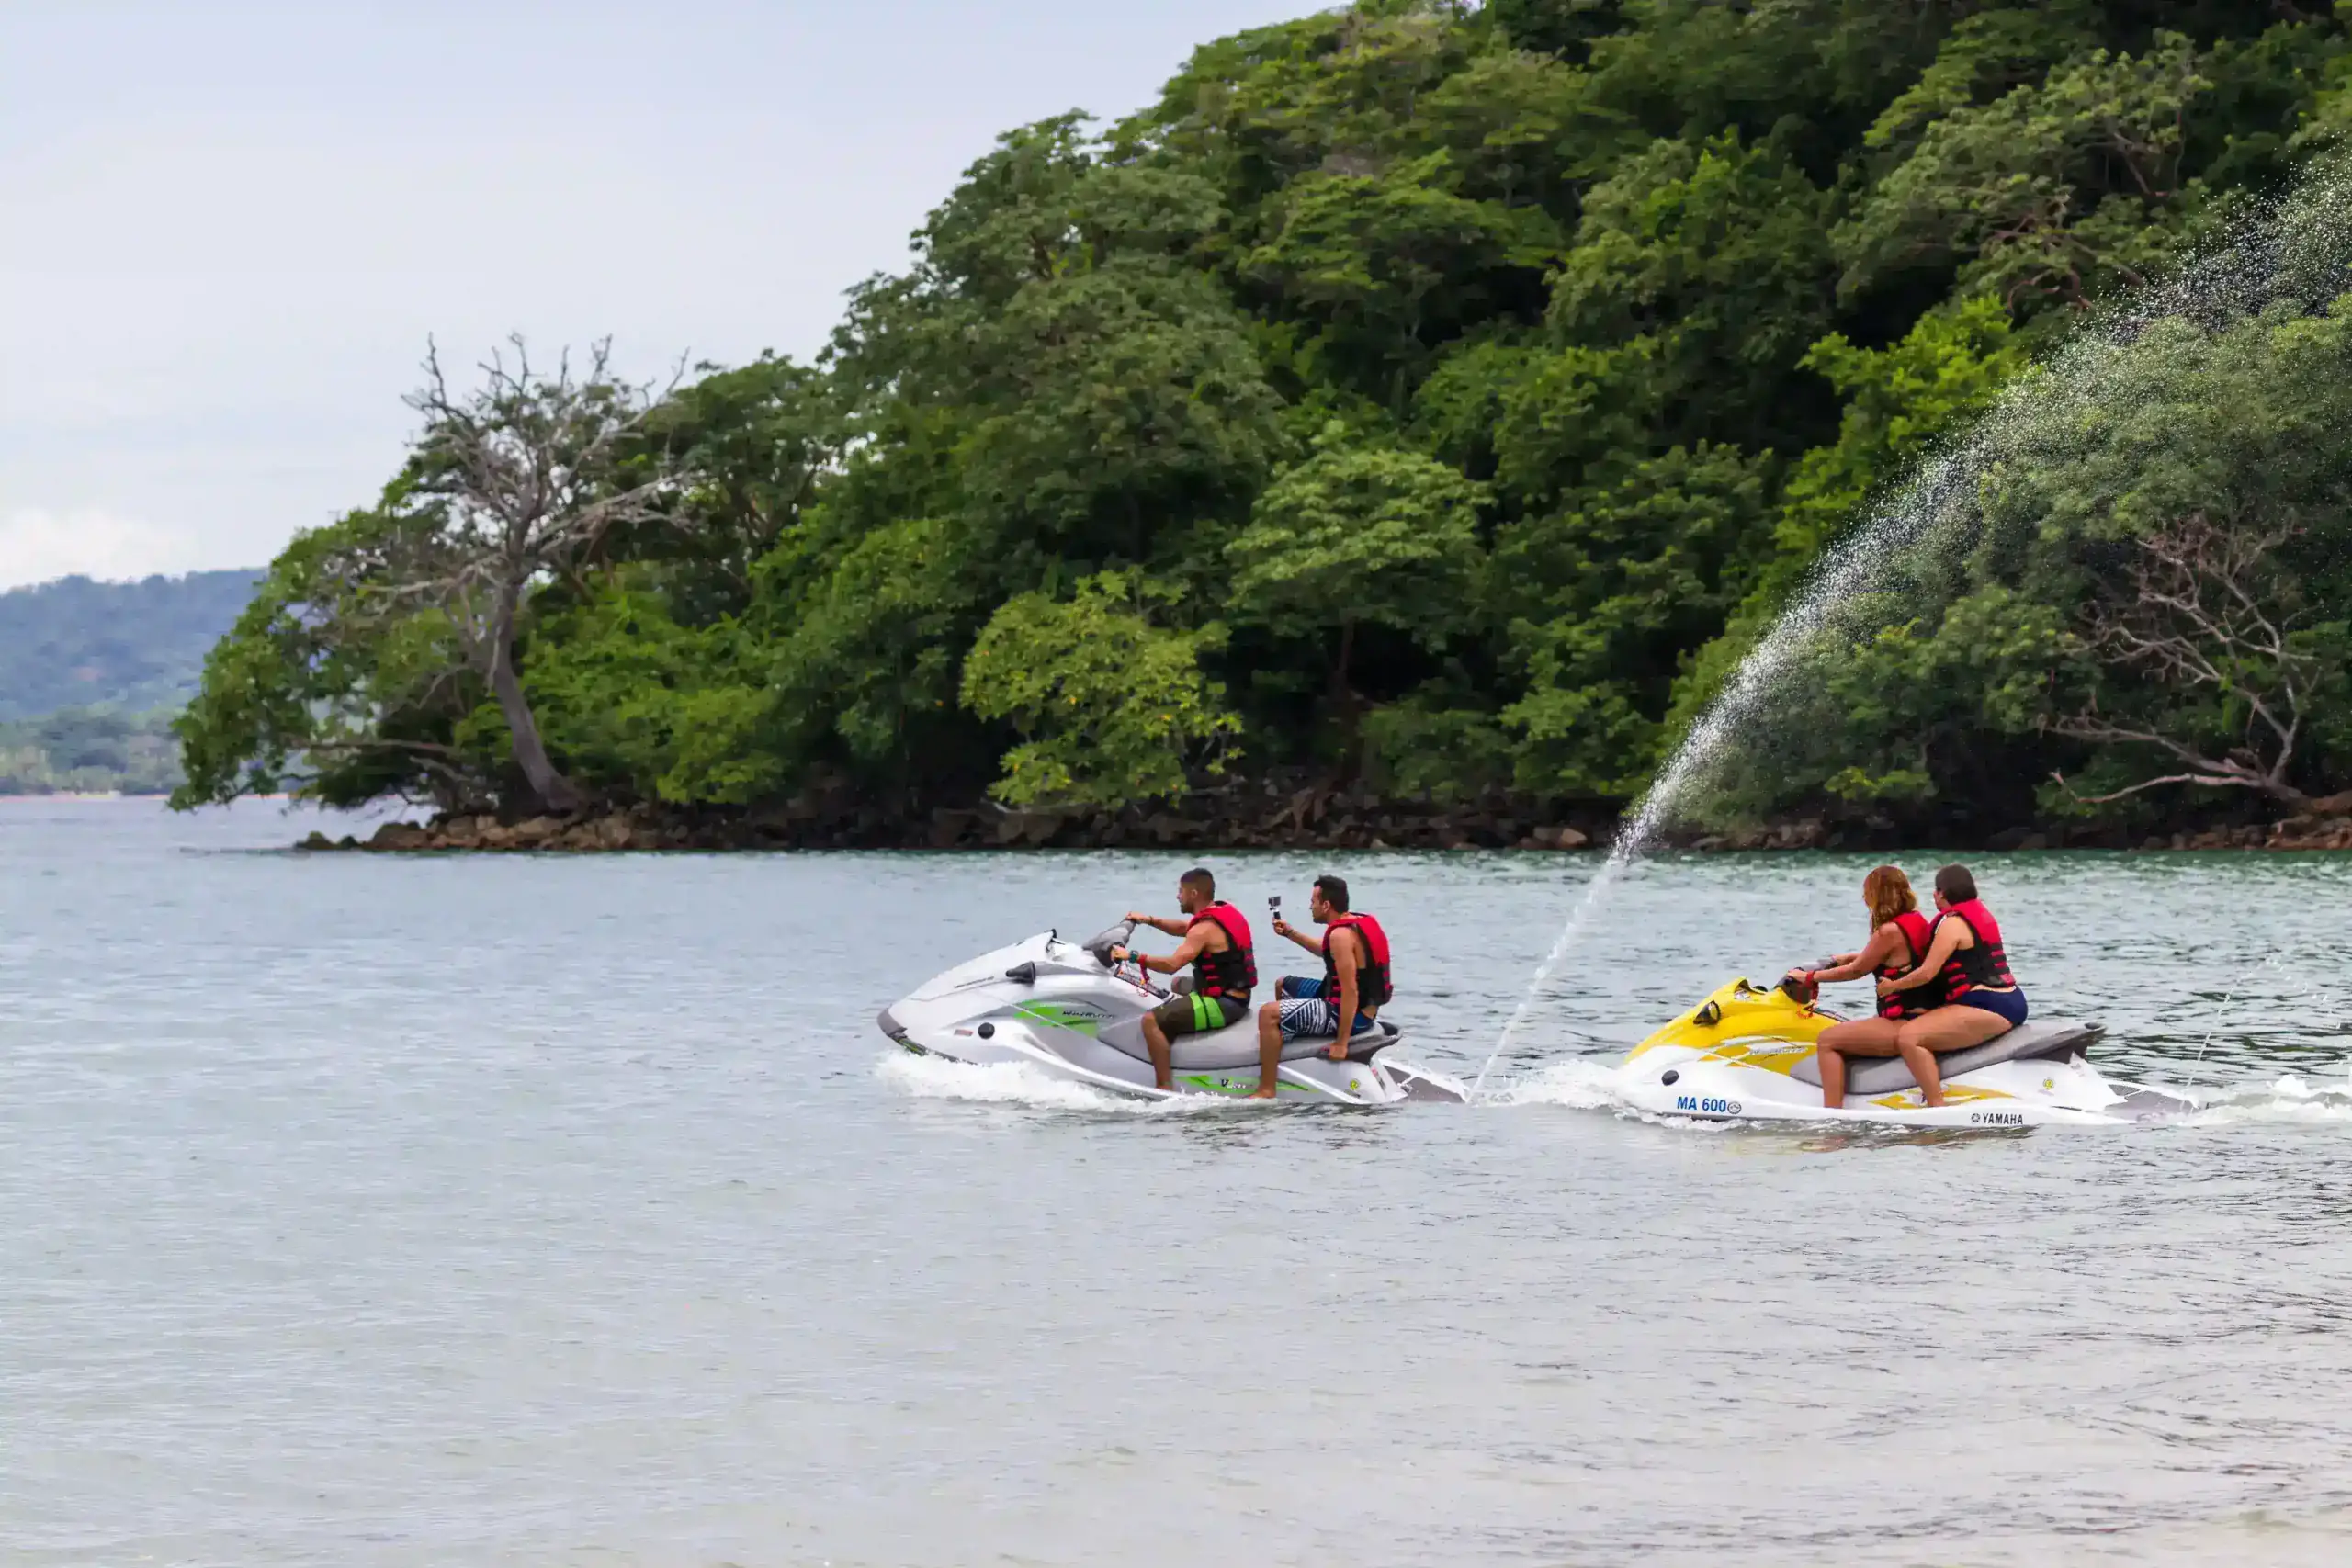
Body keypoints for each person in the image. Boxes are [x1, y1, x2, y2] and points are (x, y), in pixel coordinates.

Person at [1783, 865, 1939, 1110]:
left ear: (1879, 895)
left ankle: (1832, 1116)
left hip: (1903, 1022)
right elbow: (1897, 957)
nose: (1864, 898)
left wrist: (1811, 977)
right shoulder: (1916, 921)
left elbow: (1856, 971)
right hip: (1923, 1016)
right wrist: (1854, 956)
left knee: (1827, 1040)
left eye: (1867, 892)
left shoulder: (1887, 931)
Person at [1876, 863, 2028, 1107]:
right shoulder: (1981, 914)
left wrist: (1892, 987)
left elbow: (1926, 973)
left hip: (1987, 1004)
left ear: (1943, 893)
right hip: (2010, 999)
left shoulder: (1952, 924)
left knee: (1909, 1038)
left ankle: (1936, 1106)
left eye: (1936, 890)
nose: (1934, 896)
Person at [1112, 867, 1256, 1091]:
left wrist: (1132, 956)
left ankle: (1164, 1086)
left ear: (1194, 894)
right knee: (1178, 984)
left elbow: (1171, 965)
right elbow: (1185, 928)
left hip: (1225, 1004)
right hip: (1236, 993)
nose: (1178, 896)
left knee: (1151, 1021)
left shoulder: (1204, 929)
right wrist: (1149, 920)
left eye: (1181, 891)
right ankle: (1181, 1043)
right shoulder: (1220, 912)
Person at [1250, 874, 1391, 1100]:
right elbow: (1324, 950)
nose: (1310, 907)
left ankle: (1267, 1088)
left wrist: (1341, 1043)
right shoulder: (1355, 922)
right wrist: (1290, 933)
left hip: (1354, 1016)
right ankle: (1288, 1049)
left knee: (1268, 1013)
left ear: (1326, 905)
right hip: (1351, 1003)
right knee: (1283, 985)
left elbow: (1350, 991)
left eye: (1313, 902)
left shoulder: (1340, 935)